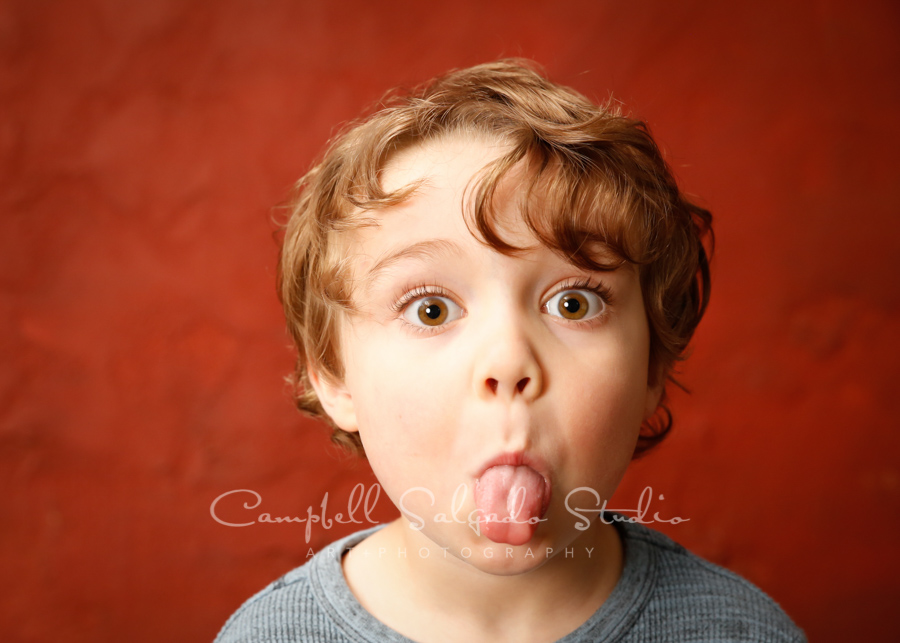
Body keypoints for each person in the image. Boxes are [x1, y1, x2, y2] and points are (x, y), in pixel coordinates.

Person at [215, 60, 806, 642]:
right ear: (334, 377)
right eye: (431, 310)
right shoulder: (268, 636)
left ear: (652, 367)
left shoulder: (741, 632)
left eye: (574, 303)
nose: (507, 363)